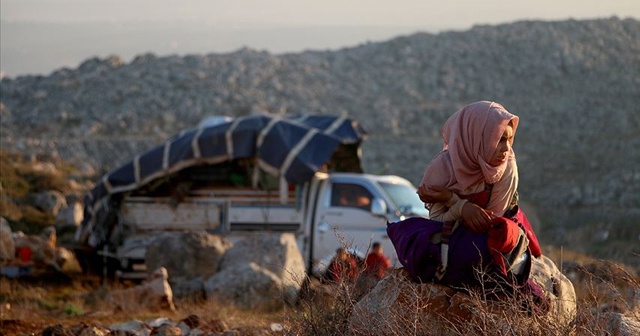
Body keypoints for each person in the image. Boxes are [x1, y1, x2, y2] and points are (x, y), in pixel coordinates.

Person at [417, 100, 541, 259]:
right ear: (476, 138)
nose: (506, 149)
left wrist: (451, 200)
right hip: (451, 235)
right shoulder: (442, 168)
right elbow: (436, 223)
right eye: (499, 140)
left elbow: (491, 224)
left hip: (491, 233)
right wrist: (461, 208)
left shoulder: (506, 168)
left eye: (509, 140)